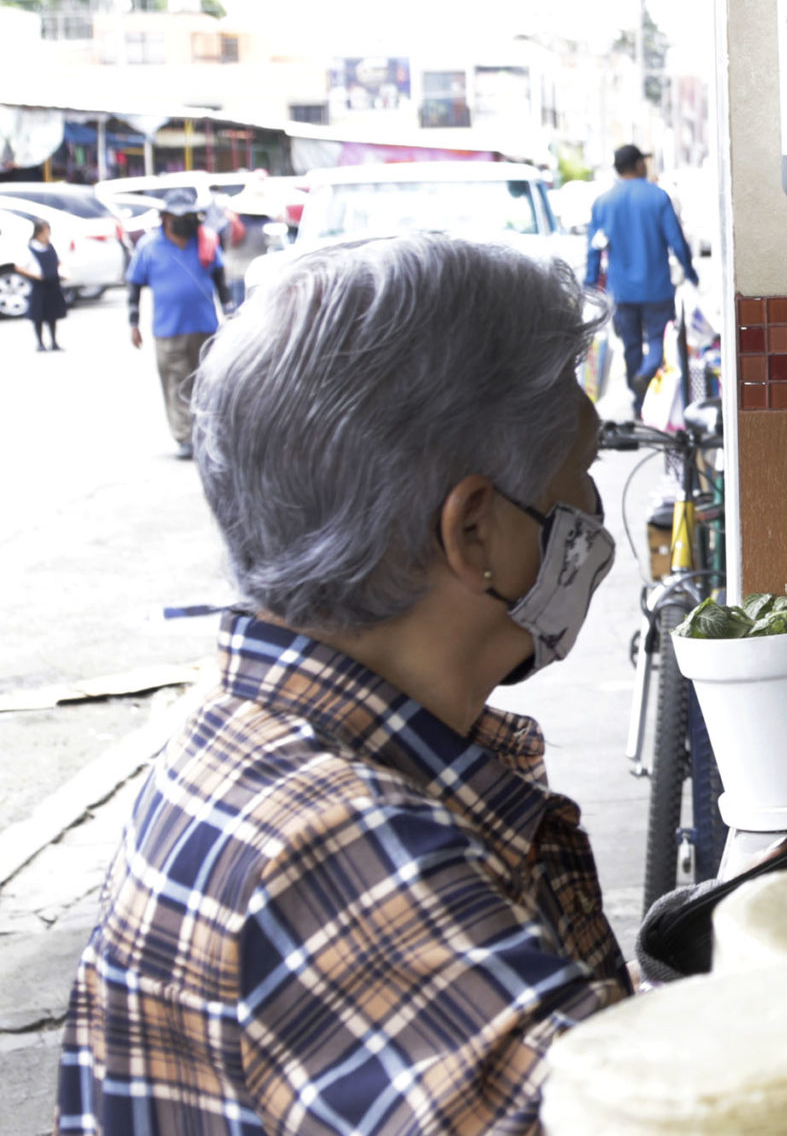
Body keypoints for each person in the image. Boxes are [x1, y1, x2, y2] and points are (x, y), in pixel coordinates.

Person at [59, 235, 628, 1133]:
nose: (595, 526)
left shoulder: (254, 738)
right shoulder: (337, 847)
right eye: (581, 481)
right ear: (475, 532)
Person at [582, 143, 698, 417]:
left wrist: (589, 287)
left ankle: (638, 404)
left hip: (620, 292)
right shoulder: (658, 197)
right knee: (660, 340)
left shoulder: (603, 203)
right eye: (643, 162)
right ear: (637, 165)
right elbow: (677, 243)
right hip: (657, 288)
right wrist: (691, 273)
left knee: (631, 346)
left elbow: (593, 250)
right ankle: (648, 375)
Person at [124, 192, 227, 457]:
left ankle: (209, 433)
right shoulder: (149, 247)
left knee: (207, 382)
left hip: (205, 326)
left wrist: (229, 312)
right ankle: (185, 437)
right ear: (166, 218)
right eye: (181, 216)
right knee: (176, 383)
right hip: (169, 330)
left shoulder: (206, 242)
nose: (187, 221)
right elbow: (134, 285)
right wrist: (133, 322)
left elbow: (220, 280)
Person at [26, 217, 66, 350]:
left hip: (52, 284)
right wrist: (36, 275)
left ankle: (54, 342)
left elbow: (58, 261)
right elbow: (20, 267)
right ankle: (40, 343)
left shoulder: (50, 246)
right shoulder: (31, 248)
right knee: (39, 315)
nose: (47, 235)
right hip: (39, 285)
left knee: (52, 315)